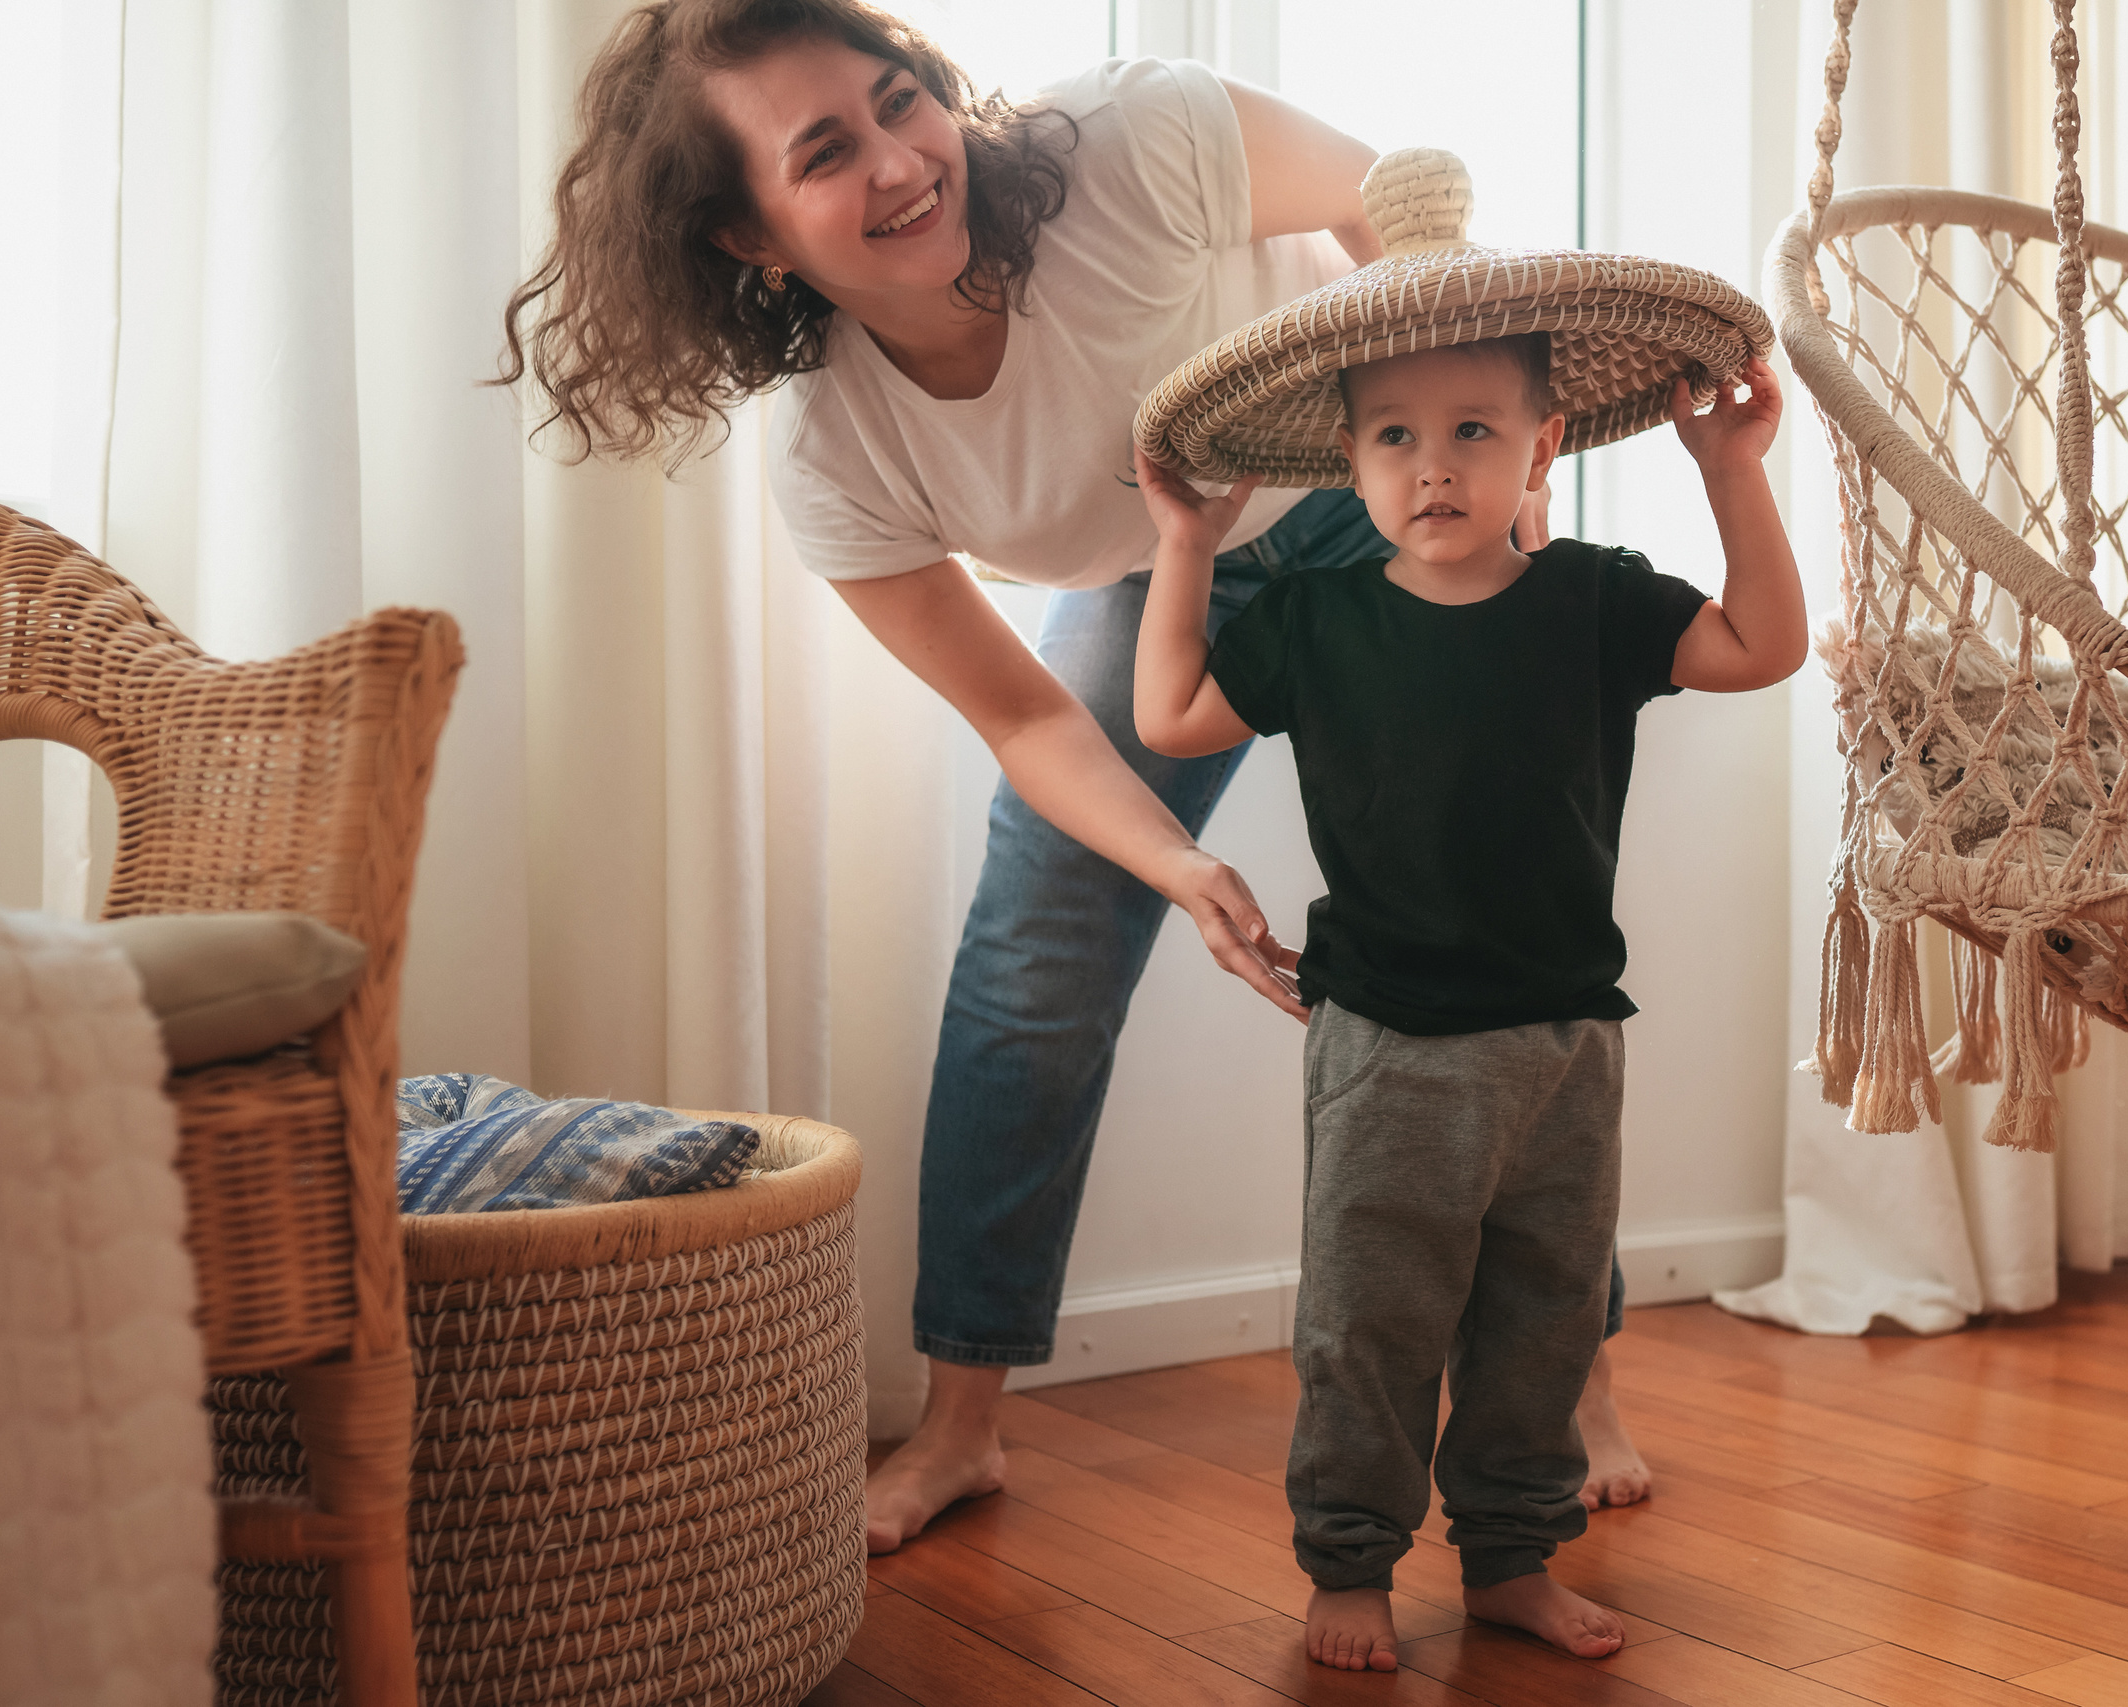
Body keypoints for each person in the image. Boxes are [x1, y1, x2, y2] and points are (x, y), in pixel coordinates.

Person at [500, 0, 1653, 1559]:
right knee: (1033, 957)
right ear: (746, 235)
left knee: (1502, 923)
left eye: (902, 102)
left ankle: (1565, 1378)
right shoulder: (837, 455)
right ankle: (960, 1423)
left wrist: (1461, 492)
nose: (907, 161)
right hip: (1164, 576)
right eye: (826, 153)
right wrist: (1172, 870)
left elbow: (1392, 207)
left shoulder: (1136, 139)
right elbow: (1033, 727)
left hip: (1371, 493)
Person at [1128, 150, 1803, 1670]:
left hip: (1567, 1040)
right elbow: (1168, 714)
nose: (1433, 466)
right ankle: (1350, 1562)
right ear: (1351, 464)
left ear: (1543, 445)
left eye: (1473, 431)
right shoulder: (1315, 618)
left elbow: (1761, 645)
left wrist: (1731, 471)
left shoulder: (1596, 601)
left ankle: (1510, 1556)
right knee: (1369, 1323)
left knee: (1545, 1320)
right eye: (1394, 437)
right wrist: (1186, 543)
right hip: (1388, 1045)